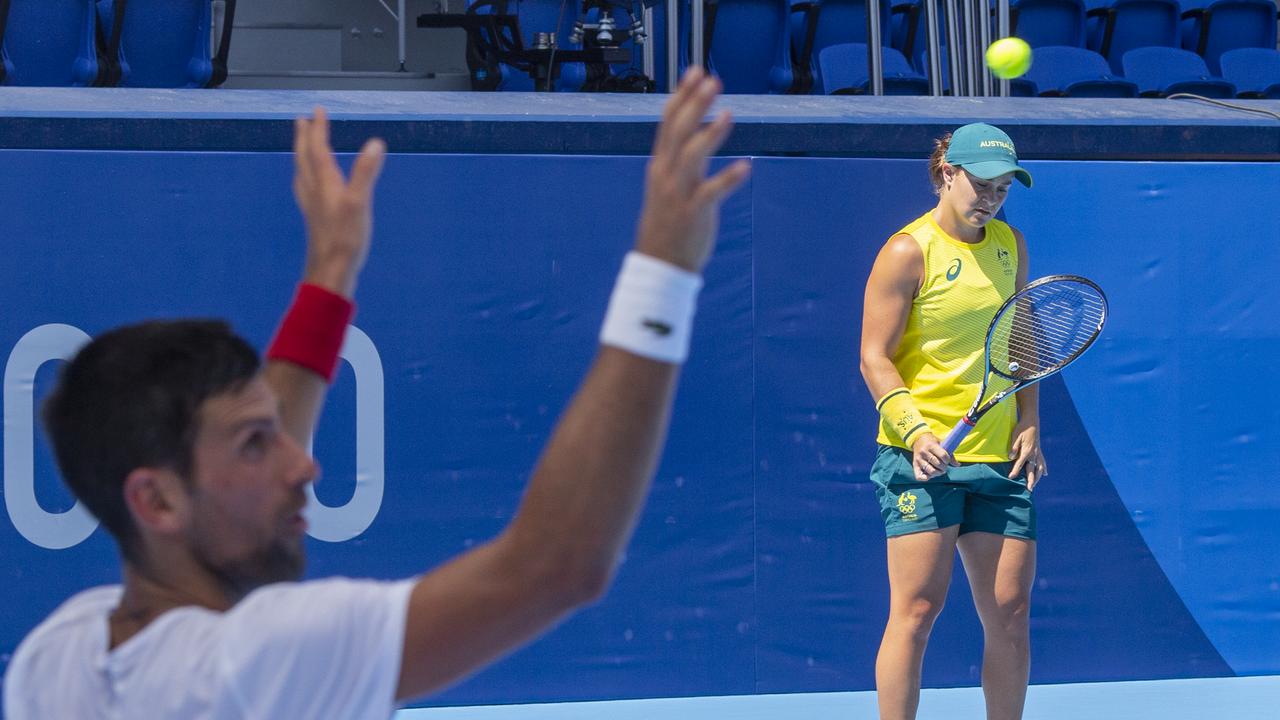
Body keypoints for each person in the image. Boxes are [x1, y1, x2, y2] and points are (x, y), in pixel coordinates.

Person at [3, 68, 751, 719]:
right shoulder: (258, 663)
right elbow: (557, 564)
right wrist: (664, 271)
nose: (305, 467)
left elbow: (230, 460)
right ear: (155, 501)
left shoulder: (54, 661)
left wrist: (331, 273)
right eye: (257, 445)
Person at [859, 123, 1042, 720]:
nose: (990, 198)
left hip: (998, 458)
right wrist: (915, 431)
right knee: (916, 611)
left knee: (1011, 613)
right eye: (981, 185)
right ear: (947, 174)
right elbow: (874, 356)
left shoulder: (1010, 244)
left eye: (1003, 189)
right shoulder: (907, 251)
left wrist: (1030, 420)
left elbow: (1024, 343)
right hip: (921, 459)